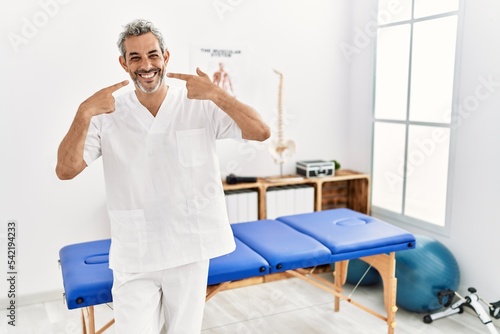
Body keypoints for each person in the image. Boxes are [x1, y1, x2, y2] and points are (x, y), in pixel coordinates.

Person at [55, 19, 270, 334]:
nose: (146, 65)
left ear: (166, 57)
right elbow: (65, 170)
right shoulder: (107, 113)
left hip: (189, 248)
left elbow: (261, 132)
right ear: (123, 64)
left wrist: (217, 94)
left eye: (153, 55)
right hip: (135, 252)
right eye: (136, 58)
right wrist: (83, 112)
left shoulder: (200, 103)